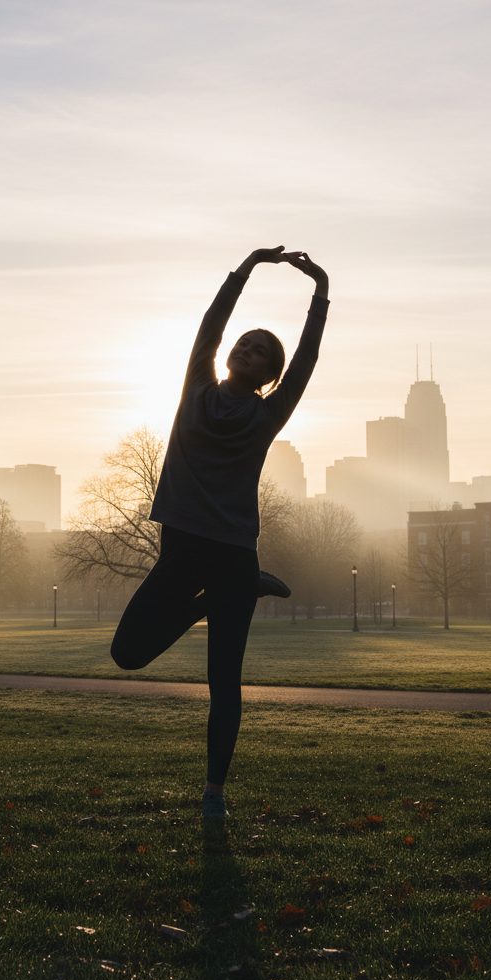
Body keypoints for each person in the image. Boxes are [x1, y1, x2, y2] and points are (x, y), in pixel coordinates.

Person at [110, 246, 329, 821]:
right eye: (244, 343)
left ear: (268, 376)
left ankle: (214, 794)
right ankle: (225, 597)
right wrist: (248, 266)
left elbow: (306, 359)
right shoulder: (196, 388)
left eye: (259, 352)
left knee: (223, 682)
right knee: (127, 653)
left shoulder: (268, 414)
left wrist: (321, 291)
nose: (245, 349)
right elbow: (212, 323)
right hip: (182, 550)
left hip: (232, 555)